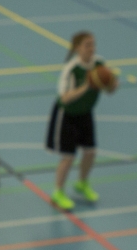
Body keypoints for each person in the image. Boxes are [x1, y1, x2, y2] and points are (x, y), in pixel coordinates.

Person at [47, 30, 114, 211]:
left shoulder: (99, 64)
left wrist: (110, 84)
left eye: (93, 44)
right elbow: (64, 98)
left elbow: (109, 87)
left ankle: (82, 183)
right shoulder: (71, 69)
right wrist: (86, 86)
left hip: (85, 113)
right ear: (78, 48)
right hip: (66, 114)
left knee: (91, 152)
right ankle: (58, 192)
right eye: (87, 45)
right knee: (68, 157)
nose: (92, 48)